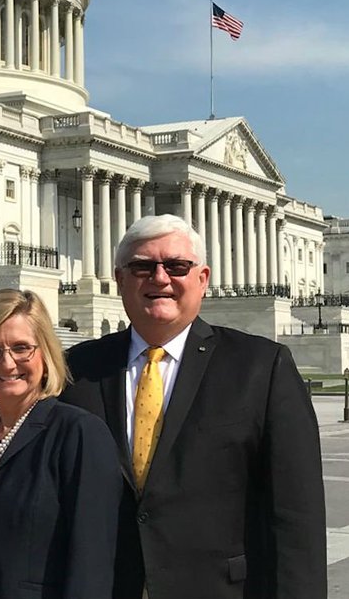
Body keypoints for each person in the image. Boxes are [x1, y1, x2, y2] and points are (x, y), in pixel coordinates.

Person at [61, 214, 328, 599]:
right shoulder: (78, 370)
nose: (159, 278)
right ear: (119, 279)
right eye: (142, 267)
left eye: (176, 266)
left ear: (202, 279)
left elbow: (296, 515)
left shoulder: (260, 367)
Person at [0, 289, 120, 599]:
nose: (7, 362)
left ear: (45, 353)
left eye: (21, 348)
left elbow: (91, 566)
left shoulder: (78, 433)